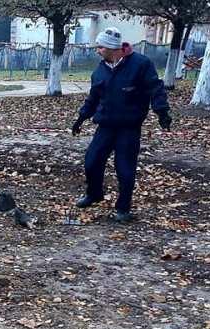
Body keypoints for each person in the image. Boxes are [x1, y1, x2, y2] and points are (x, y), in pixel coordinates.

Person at [72, 27, 172, 223]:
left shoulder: (140, 64)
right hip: (106, 126)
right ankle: (94, 194)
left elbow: (155, 88)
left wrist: (162, 112)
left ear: (111, 48)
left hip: (129, 127)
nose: (97, 50)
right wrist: (81, 118)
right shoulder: (100, 71)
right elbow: (93, 98)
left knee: (124, 169)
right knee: (92, 161)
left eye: (100, 47)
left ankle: (123, 208)